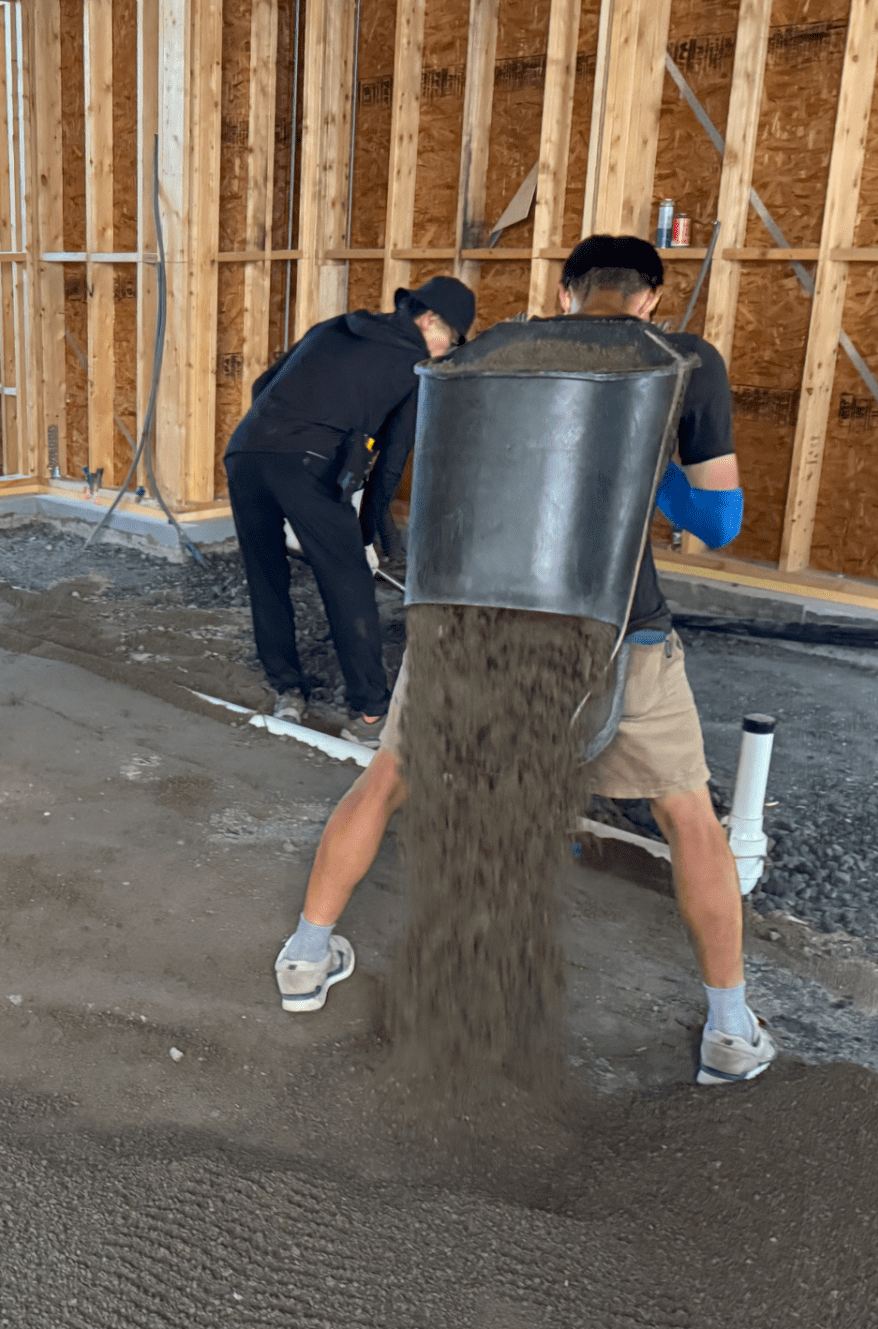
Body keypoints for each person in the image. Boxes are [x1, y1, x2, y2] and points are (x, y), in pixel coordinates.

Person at [269, 236, 777, 1088]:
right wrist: (643, 468)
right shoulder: (681, 358)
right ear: (650, 295)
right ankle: (729, 1028)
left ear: (568, 293)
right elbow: (719, 520)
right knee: (689, 815)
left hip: (465, 620)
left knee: (389, 774)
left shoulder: (495, 354)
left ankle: (305, 957)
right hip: (612, 627)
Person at [224, 275, 477, 747]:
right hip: (304, 463)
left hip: (244, 452)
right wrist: (368, 529)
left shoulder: (335, 327)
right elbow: (395, 457)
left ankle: (288, 690)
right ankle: (370, 714)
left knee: (265, 575)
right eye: (452, 340)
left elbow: (263, 383)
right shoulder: (413, 365)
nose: (447, 351)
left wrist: (283, 436)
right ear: (428, 321)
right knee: (348, 582)